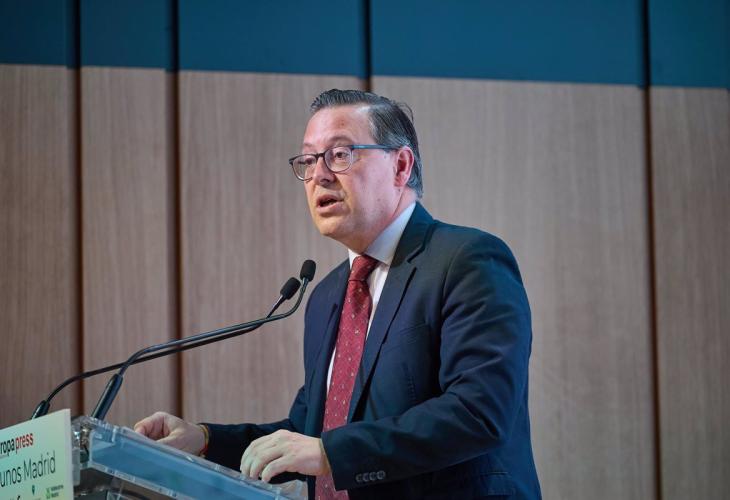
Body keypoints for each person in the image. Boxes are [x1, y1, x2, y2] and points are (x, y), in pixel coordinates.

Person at [135, 89, 541, 499]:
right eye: (309, 160)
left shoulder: (465, 261)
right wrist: (204, 440)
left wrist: (330, 453)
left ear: (401, 165)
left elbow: (479, 412)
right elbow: (309, 434)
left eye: (340, 154)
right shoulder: (327, 295)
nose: (319, 175)